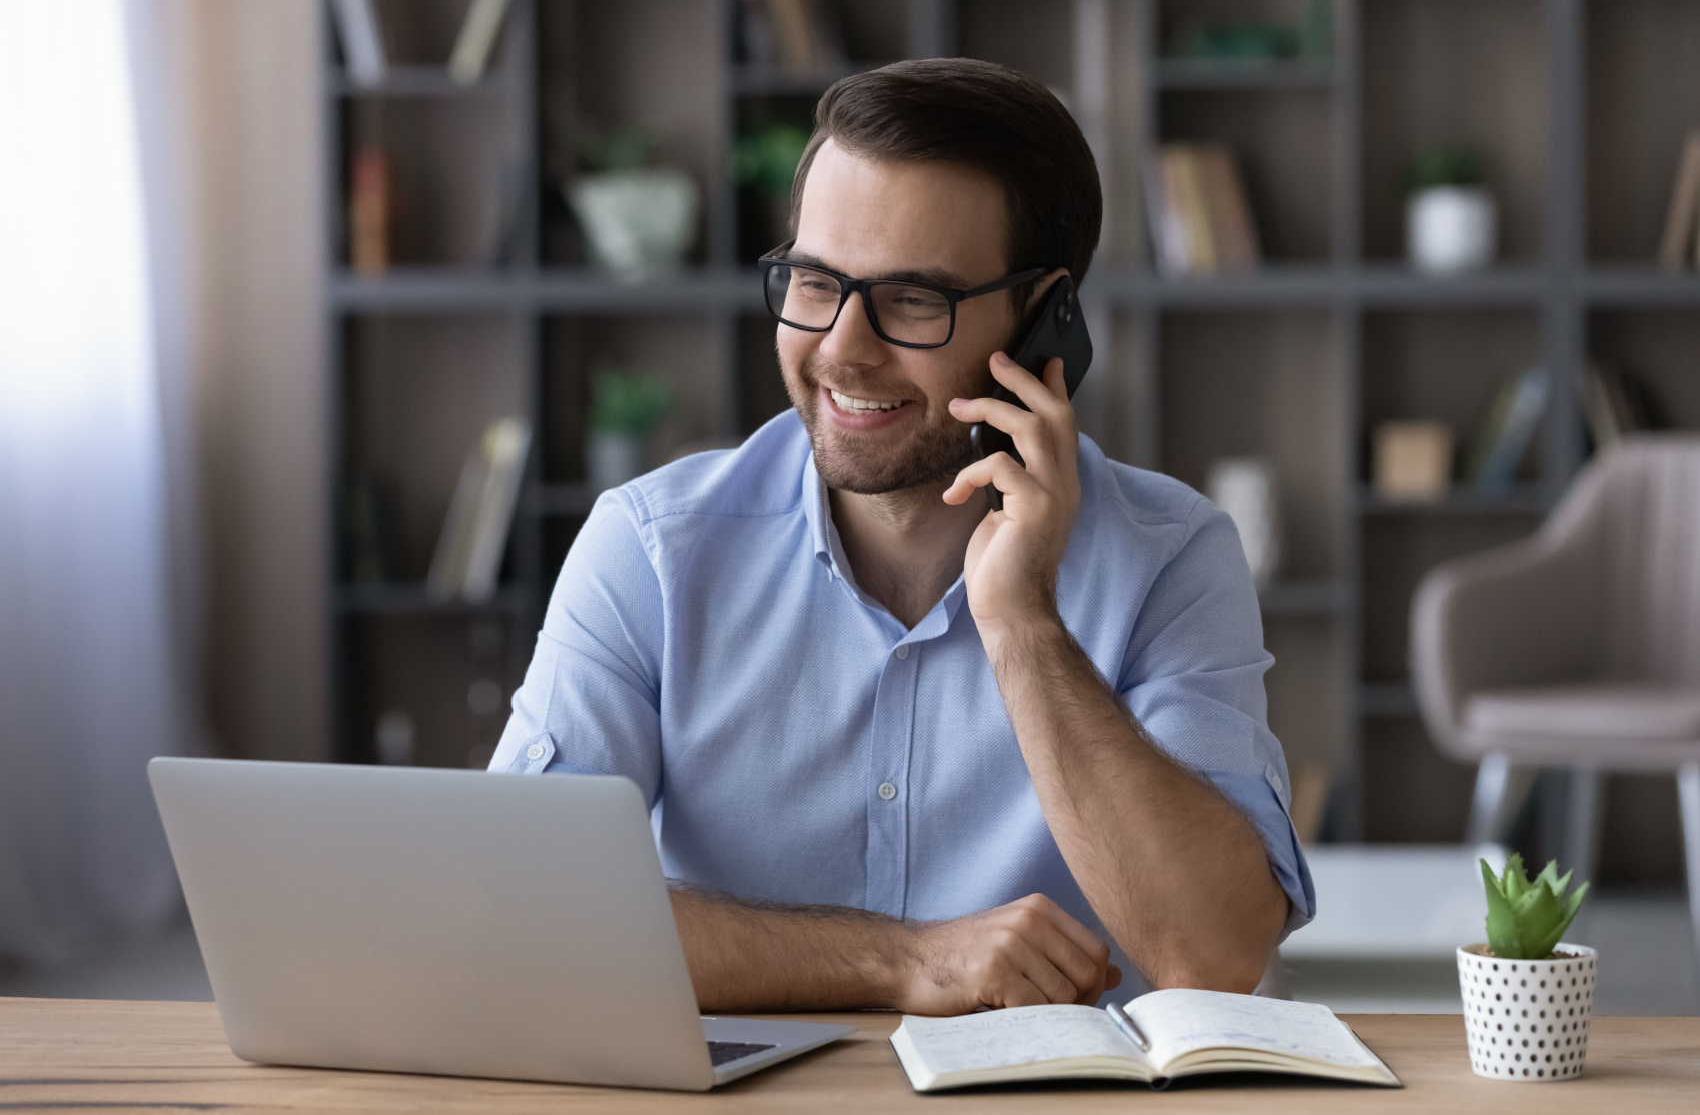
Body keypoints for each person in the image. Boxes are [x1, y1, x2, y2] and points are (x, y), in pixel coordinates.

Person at [490, 58, 1313, 1014]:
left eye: (914, 299)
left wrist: (1022, 623)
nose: (842, 346)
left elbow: (1213, 957)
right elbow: (523, 912)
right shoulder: (650, 550)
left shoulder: (1170, 557)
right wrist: (902, 960)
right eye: (813, 280)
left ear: (1048, 322)